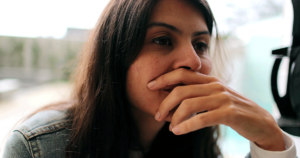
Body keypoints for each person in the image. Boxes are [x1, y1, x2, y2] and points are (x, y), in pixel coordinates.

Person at [3, 0, 297, 158]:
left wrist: (270, 143)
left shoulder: (200, 142)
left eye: (201, 44)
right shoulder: (38, 148)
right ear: (116, 53)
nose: (194, 61)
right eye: (162, 40)